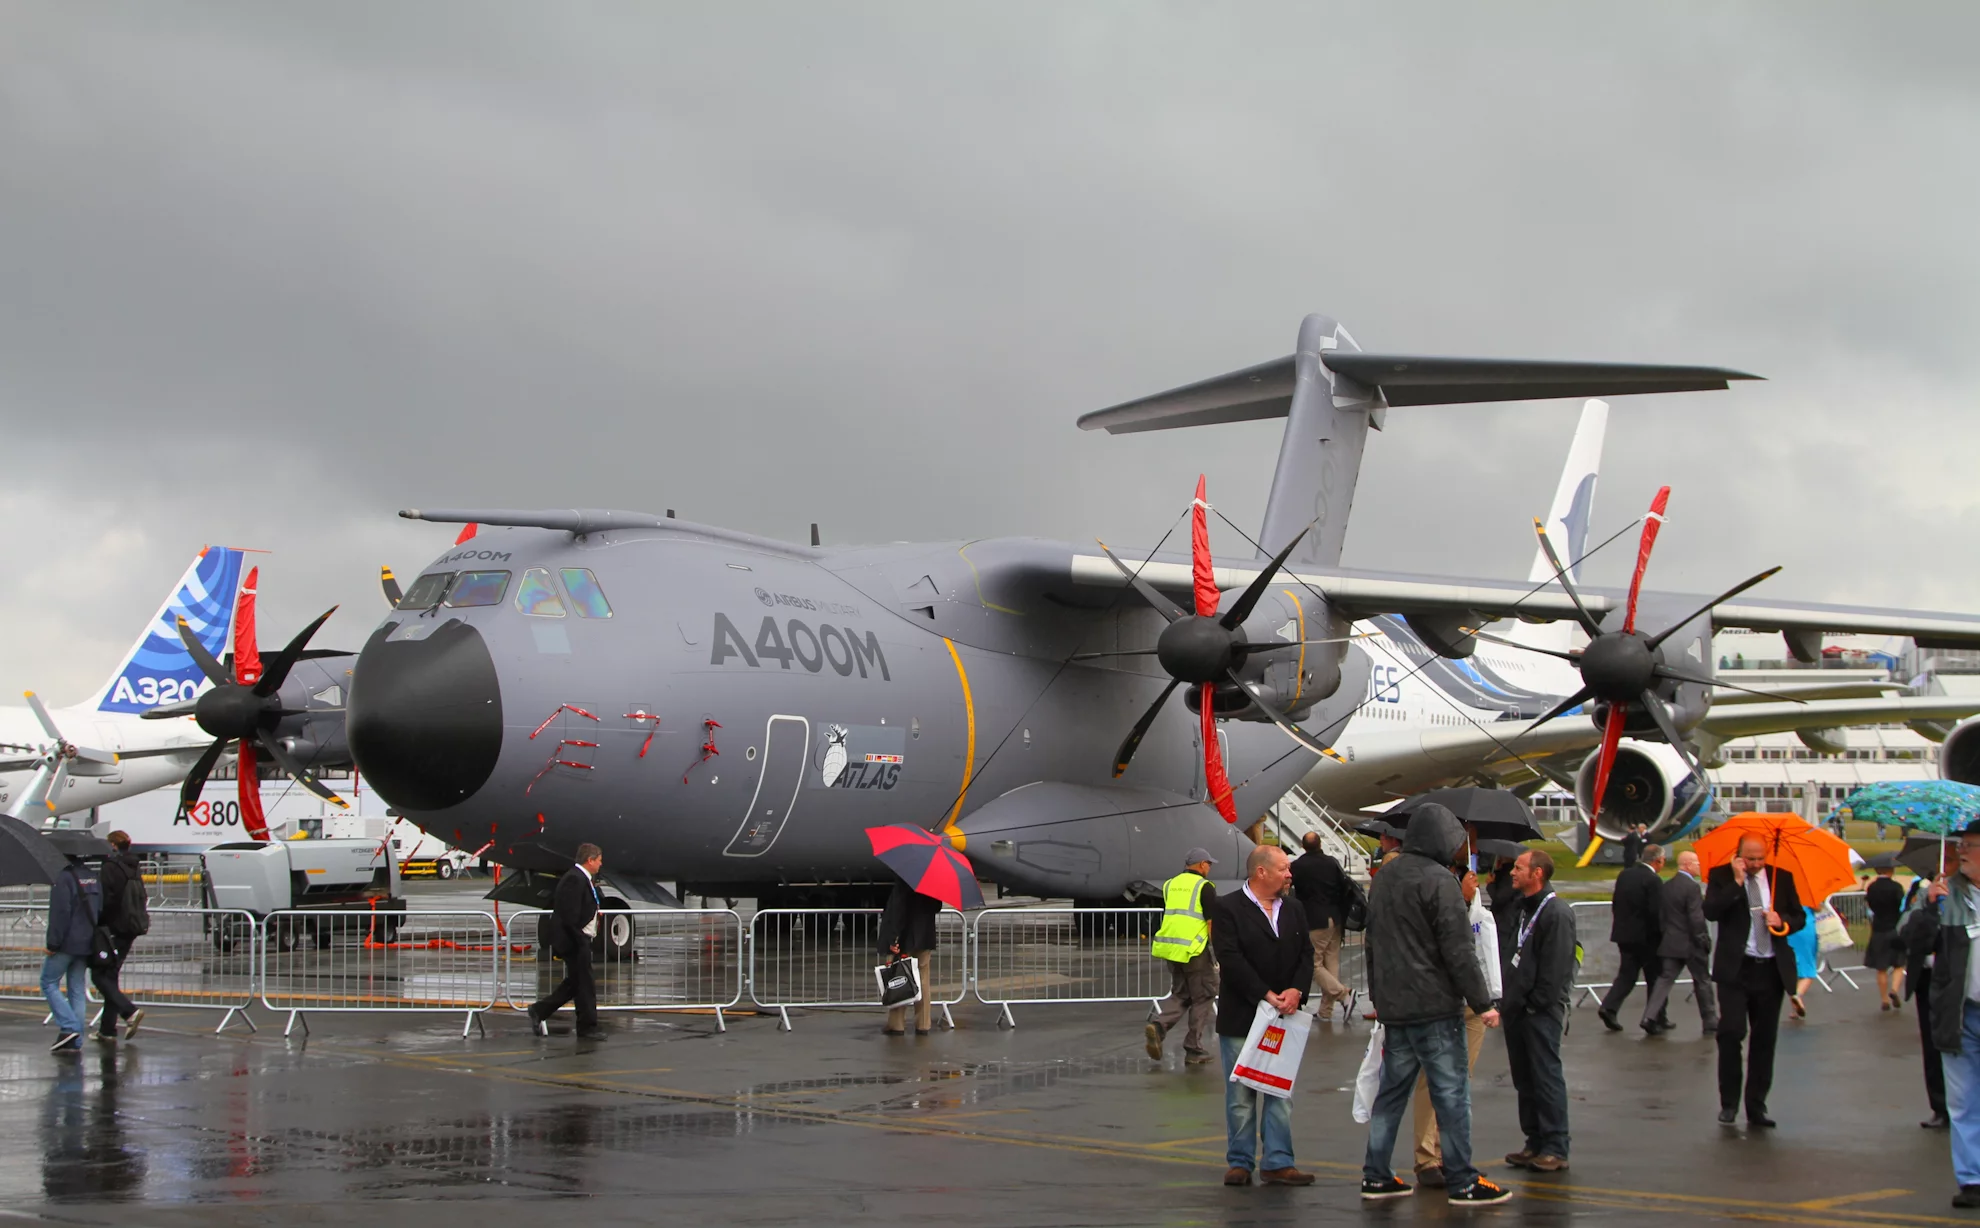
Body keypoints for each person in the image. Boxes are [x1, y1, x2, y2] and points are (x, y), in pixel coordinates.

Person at [1359, 804, 1510, 1205]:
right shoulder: (1440, 881)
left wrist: (1379, 996)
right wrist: (1483, 1002)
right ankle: (1462, 1180)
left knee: (1391, 1095)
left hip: (1396, 1007)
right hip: (1435, 1007)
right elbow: (1458, 950)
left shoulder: (1386, 876)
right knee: (1451, 1094)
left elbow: (1373, 943)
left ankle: (1376, 1175)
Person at [1209, 844, 1314, 1188]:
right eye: (1283, 868)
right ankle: (1240, 1162)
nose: (1289, 874)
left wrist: (1296, 990)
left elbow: (1305, 954)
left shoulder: (1294, 908)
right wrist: (1265, 994)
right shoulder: (1228, 908)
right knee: (1240, 1095)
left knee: (1279, 1092)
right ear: (1261, 872)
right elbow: (1231, 957)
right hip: (1243, 1015)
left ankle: (1279, 1162)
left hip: (1283, 1016)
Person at [1408, 858, 1502, 1188]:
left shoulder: (1476, 905)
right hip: (1441, 1001)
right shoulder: (1430, 887)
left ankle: (1452, 1154)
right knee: (1433, 1080)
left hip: (1473, 1003)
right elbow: (1445, 942)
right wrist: (1459, 899)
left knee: (1461, 1080)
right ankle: (1427, 1157)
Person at [1703, 833, 1805, 1127]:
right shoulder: (1722, 876)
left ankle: (1756, 1105)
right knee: (1731, 1033)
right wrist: (1736, 883)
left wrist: (1782, 921)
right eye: (1750, 859)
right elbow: (1711, 912)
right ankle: (1729, 1103)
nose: (1756, 864)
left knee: (1764, 1040)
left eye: (1760, 859)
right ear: (1739, 855)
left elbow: (1799, 916)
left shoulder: (1780, 878)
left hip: (1769, 969)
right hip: (1736, 969)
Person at [1914, 821, 1980, 1208]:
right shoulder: (1944, 894)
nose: (1963, 851)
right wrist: (1927, 908)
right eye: (1962, 844)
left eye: (1970, 845)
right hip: (1961, 1015)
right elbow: (1910, 943)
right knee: (1964, 1101)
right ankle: (1972, 1179)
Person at [1501, 849, 1576, 1173]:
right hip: (1518, 1009)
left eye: (1519, 868)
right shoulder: (1522, 909)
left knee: (1546, 1077)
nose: (1512, 873)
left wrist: (1536, 1004)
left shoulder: (1555, 912)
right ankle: (1534, 1141)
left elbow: (1556, 968)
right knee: (1525, 1079)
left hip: (1539, 1012)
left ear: (1538, 874)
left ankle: (1556, 1146)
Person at [526, 843, 607, 1040]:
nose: (600, 864)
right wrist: (580, 940)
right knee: (584, 984)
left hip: (577, 940)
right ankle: (586, 1026)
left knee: (577, 983)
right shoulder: (575, 879)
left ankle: (541, 1011)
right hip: (575, 941)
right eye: (599, 860)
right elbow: (570, 916)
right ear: (590, 860)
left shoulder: (580, 878)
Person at [1147, 848, 1219, 1064]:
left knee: (1181, 993)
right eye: (1209, 864)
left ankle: (1159, 1026)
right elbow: (1210, 922)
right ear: (1201, 864)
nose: (1210, 868)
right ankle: (1194, 1048)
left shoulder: (1170, 885)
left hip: (1172, 948)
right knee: (1204, 994)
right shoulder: (1204, 887)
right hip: (1195, 949)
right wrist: (1215, 951)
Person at [1905, 846, 1959, 1131]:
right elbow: (1906, 932)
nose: (1944, 866)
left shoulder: (1966, 894)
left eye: (1950, 861)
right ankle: (1940, 1106)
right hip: (1929, 978)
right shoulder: (1923, 891)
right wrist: (1929, 905)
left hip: (1958, 979)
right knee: (1932, 1045)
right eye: (1942, 860)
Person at [1642, 850, 1718, 1035]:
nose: (1699, 867)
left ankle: (1649, 1016)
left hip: (1671, 942)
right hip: (1691, 944)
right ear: (1687, 865)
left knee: (1664, 980)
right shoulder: (1691, 887)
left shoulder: (1668, 885)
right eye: (1697, 863)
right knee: (1702, 981)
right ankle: (1710, 1020)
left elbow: (1663, 916)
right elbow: (1696, 918)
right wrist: (1703, 939)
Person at [1599, 842, 1665, 1032]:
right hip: (1647, 938)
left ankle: (1609, 1006)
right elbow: (1655, 912)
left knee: (1627, 975)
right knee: (1654, 978)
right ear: (1658, 861)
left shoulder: (1625, 874)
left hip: (1624, 934)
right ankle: (1653, 1018)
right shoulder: (1653, 881)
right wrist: (1661, 935)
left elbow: (1616, 902)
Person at [41, 856, 102, 1054]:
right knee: (77, 988)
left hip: (67, 941)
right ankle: (75, 1041)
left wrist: (53, 943)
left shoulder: (63, 878)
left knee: (48, 982)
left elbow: (60, 913)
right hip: (87, 940)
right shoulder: (93, 876)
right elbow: (99, 908)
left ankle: (69, 1028)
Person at [1290, 831, 1352, 1021]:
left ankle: (1343, 994)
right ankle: (1326, 1011)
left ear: (1302, 846)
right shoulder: (1332, 862)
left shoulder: (1298, 866)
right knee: (1331, 962)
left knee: (1312, 962)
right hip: (1335, 916)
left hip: (1314, 919)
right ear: (1320, 844)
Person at [92, 831, 147, 1041]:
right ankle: (107, 1028)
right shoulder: (134, 866)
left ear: (114, 845)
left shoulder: (110, 868)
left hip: (114, 928)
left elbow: (107, 900)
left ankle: (129, 1011)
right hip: (131, 926)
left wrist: (100, 924)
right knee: (111, 976)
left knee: (99, 975)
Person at [877, 878, 942, 1036]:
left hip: (905, 938)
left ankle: (896, 1024)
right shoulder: (934, 880)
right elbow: (936, 906)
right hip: (925, 937)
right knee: (923, 982)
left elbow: (898, 910)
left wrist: (894, 939)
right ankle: (923, 1024)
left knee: (898, 979)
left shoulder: (904, 879)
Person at [1865, 864, 1906, 1012]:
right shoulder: (1896, 887)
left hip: (1878, 928)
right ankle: (1894, 989)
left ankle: (1884, 999)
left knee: (1881, 967)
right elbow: (1901, 905)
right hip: (1895, 927)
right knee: (1899, 963)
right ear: (1891, 870)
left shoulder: (1871, 887)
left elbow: (1869, 904)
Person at [1786, 902, 1821, 1018]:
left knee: (1791, 967)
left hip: (1789, 929)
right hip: (1805, 928)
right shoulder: (1806, 893)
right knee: (1808, 970)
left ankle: (1795, 1009)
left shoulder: (1784, 890)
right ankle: (1797, 995)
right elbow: (1817, 907)